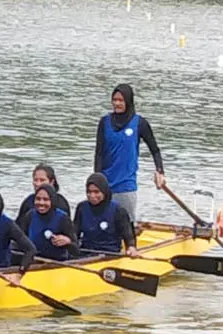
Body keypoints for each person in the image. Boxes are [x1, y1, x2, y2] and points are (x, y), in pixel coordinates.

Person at [94, 83, 165, 222]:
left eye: (121, 100)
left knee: (126, 223)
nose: (117, 103)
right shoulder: (104, 122)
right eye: (114, 100)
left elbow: (155, 150)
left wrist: (160, 171)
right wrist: (97, 181)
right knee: (102, 223)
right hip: (105, 185)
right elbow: (99, 154)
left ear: (128, 101)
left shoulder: (139, 123)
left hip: (126, 185)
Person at [74, 173, 138, 256]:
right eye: (89, 192)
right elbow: (75, 232)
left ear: (104, 191)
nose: (92, 195)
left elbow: (128, 235)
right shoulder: (81, 207)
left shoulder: (118, 210)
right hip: (86, 252)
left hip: (110, 253)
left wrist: (131, 247)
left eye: (96, 192)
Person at [18, 184, 79, 261]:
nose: (41, 203)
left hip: (57, 261)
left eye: (46, 199)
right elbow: (21, 241)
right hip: (35, 260)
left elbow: (76, 250)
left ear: (52, 201)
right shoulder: (30, 215)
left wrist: (68, 242)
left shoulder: (63, 218)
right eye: (38, 199)